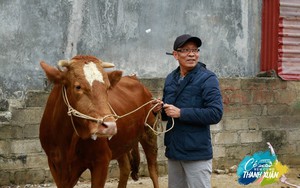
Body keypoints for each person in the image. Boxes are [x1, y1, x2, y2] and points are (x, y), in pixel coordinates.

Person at [152, 34, 223, 188]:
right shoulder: (171, 78)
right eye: (186, 50)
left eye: (195, 50)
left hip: (196, 153)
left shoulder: (207, 78)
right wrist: (160, 110)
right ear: (175, 55)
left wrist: (181, 113)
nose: (192, 54)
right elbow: (167, 115)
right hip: (174, 151)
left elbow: (215, 113)